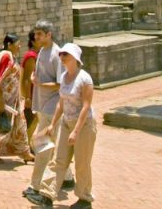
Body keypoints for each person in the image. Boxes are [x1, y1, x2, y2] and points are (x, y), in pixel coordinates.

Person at [29, 43, 96, 209]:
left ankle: (84, 198)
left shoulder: (85, 79)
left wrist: (77, 130)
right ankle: (47, 195)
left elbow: (86, 106)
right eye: (61, 54)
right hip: (67, 123)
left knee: (82, 163)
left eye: (65, 54)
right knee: (59, 159)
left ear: (75, 58)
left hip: (84, 125)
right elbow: (61, 103)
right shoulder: (65, 76)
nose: (62, 57)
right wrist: (53, 124)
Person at [23, 21, 74, 204]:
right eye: (35, 34)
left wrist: (40, 84)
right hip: (42, 106)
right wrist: (33, 79)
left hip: (53, 108)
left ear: (48, 34)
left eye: (39, 34)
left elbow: (61, 84)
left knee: (43, 146)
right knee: (54, 145)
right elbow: (39, 77)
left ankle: (36, 186)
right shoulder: (42, 52)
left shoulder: (56, 55)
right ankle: (67, 178)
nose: (36, 38)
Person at [0, 33, 33, 164]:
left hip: (13, 99)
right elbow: (0, 80)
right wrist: (0, 100)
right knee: (2, 125)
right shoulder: (6, 56)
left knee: (19, 125)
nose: (20, 46)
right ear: (10, 45)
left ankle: (25, 152)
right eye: (17, 44)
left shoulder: (9, 56)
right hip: (5, 101)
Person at [21, 31, 39, 140]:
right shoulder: (31, 56)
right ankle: (26, 146)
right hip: (32, 95)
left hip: (36, 94)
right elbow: (27, 78)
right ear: (33, 41)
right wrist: (28, 98)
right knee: (32, 121)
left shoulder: (37, 55)